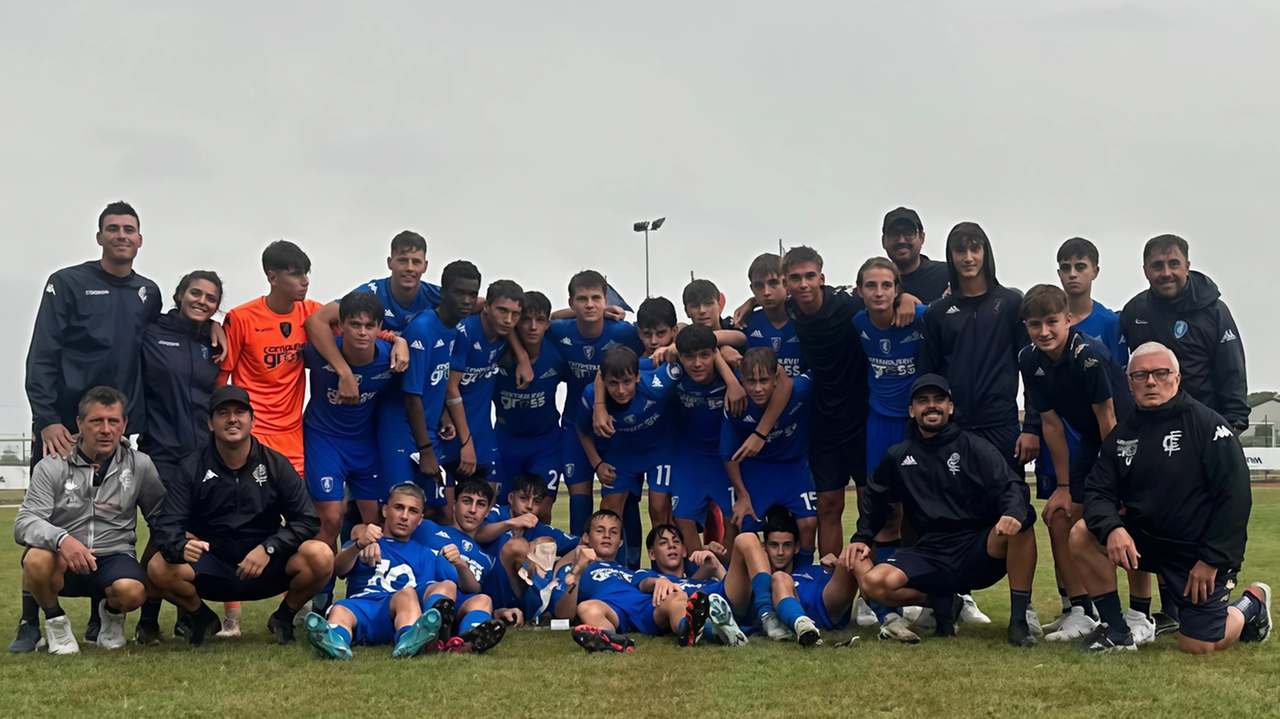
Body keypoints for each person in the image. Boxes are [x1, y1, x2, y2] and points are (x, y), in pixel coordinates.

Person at [22, 201, 164, 644]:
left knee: (109, 519)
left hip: (118, 424)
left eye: (130, 229)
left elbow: (158, 341)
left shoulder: (148, 292)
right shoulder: (67, 282)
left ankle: (103, 612)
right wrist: (46, 419)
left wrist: (210, 328)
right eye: (113, 229)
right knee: (50, 523)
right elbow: (43, 353)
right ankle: (33, 621)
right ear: (99, 236)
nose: (122, 235)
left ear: (140, 240)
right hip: (66, 424)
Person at [1070, 342, 1271, 654]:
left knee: (1198, 645)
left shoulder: (1209, 426)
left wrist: (1211, 559)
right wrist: (1112, 528)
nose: (1151, 381)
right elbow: (1096, 491)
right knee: (1082, 534)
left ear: (1177, 378)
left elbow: (1234, 499)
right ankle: (1116, 631)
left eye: (1161, 373)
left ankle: (1251, 604)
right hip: (1148, 544)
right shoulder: (1121, 436)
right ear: (1129, 383)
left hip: (1197, 555)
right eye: (1141, 375)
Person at [843, 373, 1041, 648]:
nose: (931, 406)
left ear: (950, 406)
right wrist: (863, 537)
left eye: (938, 399)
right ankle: (943, 601)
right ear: (912, 411)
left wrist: (1012, 513)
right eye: (923, 401)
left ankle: (1019, 621)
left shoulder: (974, 447)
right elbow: (876, 498)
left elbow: (1010, 485)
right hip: (931, 552)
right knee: (874, 584)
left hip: (977, 550)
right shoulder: (899, 456)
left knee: (1023, 521)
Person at [147, 385, 333, 647]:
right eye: (223, 413)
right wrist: (181, 546)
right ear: (211, 423)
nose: (232, 418)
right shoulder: (191, 467)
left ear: (252, 420)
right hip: (212, 566)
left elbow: (307, 520)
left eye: (240, 412)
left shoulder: (275, 464)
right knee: (158, 566)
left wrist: (269, 547)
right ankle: (201, 617)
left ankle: (284, 616)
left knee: (321, 555)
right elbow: (167, 527)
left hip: (265, 565)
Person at [776, 246, 917, 559]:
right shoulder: (790, 309)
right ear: (786, 283)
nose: (803, 284)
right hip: (823, 425)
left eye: (810, 276)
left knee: (877, 508)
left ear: (821, 278)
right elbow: (762, 308)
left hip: (863, 422)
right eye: (795, 278)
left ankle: (876, 594)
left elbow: (883, 298)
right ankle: (831, 595)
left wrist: (906, 298)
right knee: (828, 506)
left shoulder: (848, 306)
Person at [213, 239, 323, 636]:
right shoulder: (242, 317)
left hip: (293, 439)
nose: (304, 281)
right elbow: (221, 380)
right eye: (295, 273)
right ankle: (232, 618)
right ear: (272, 276)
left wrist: (393, 338)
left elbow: (359, 315)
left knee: (300, 521)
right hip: (250, 441)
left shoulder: (311, 313)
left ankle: (295, 608)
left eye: (307, 272)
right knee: (238, 522)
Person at [1018, 284, 1138, 643]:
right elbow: (1052, 424)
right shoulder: (1028, 359)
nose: (1044, 331)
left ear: (1068, 319)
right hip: (1090, 439)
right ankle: (1081, 611)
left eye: (1052, 321)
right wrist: (1065, 488)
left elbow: (1110, 421)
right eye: (1035, 324)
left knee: (1124, 516)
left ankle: (1140, 613)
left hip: (1125, 439)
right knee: (1058, 514)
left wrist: (1112, 485)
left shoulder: (1091, 355)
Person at [12, 387, 165, 654]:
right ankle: (55, 621)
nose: (105, 429)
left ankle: (112, 616)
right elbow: (25, 521)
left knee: (133, 592)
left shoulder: (140, 464)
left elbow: (160, 518)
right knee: (35, 559)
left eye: (113, 421)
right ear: (80, 423)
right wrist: (62, 539)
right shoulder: (52, 465)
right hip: (64, 558)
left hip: (113, 556)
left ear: (124, 425)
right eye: (96, 421)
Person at [135, 270, 224, 641]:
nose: (202, 301)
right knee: (164, 534)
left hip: (203, 454)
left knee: (192, 536)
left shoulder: (214, 340)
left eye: (211, 298)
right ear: (180, 294)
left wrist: (217, 326)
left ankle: (184, 616)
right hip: (161, 451)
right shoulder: (151, 331)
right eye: (196, 293)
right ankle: (148, 621)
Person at [302, 291, 397, 613]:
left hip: (364, 445)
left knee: (374, 524)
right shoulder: (321, 354)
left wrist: (401, 343)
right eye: (354, 324)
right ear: (341, 326)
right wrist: (343, 372)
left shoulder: (389, 359)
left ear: (379, 327)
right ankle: (320, 596)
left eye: (369, 326)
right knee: (330, 519)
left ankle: (364, 592)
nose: (361, 332)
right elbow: (312, 326)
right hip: (324, 439)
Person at [920, 222, 1040, 472]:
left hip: (1002, 425)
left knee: (1011, 503)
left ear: (986, 252)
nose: (968, 258)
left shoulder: (1011, 303)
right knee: (955, 508)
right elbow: (929, 378)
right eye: (960, 251)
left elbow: (1032, 371)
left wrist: (1031, 427)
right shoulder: (937, 313)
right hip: (953, 428)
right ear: (950, 257)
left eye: (975, 249)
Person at [852, 257, 927, 642]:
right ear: (860, 290)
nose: (879, 292)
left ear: (897, 289)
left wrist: (914, 300)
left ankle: (929, 596)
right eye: (871, 286)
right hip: (879, 425)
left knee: (922, 510)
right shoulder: (857, 322)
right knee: (883, 512)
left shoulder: (919, 316)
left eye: (886, 285)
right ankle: (880, 603)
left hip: (915, 427)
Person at [302, 483, 463, 659]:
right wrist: (358, 546)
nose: (404, 516)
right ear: (385, 510)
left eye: (413, 511)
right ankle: (335, 640)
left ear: (420, 520)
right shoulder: (365, 541)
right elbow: (338, 569)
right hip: (362, 605)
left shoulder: (426, 554)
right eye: (399, 508)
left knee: (407, 595)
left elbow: (450, 584)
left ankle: (410, 637)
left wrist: (455, 561)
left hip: (396, 612)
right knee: (341, 608)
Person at [670, 325, 785, 555]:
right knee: (682, 518)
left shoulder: (741, 379)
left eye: (704, 355)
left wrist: (733, 382)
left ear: (715, 354)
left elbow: (780, 380)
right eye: (689, 357)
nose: (697, 363)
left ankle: (729, 578)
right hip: (691, 455)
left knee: (736, 518)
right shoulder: (673, 375)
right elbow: (625, 372)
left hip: (729, 459)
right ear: (680, 357)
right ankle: (697, 577)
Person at [547, 270, 644, 534]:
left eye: (595, 298)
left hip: (616, 431)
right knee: (579, 503)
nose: (589, 304)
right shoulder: (558, 331)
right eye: (582, 299)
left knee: (624, 503)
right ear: (571, 302)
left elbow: (659, 336)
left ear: (605, 300)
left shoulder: (623, 333)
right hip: (575, 429)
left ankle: (628, 568)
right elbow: (545, 319)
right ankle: (579, 567)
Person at [1120, 234, 1247, 432]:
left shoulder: (1214, 311)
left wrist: (1233, 424)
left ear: (1187, 266)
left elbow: (1232, 370)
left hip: (1203, 427)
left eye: (1173, 264)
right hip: (1151, 426)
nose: (1166, 272)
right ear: (1145, 271)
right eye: (1157, 266)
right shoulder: (1134, 311)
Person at [577, 346, 681, 566]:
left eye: (627, 382)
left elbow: (694, 352)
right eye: (613, 383)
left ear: (637, 377)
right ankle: (608, 572)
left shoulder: (658, 383)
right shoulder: (590, 396)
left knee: (660, 510)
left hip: (660, 451)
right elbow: (582, 431)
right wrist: (597, 464)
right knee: (608, 514)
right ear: (604, 381)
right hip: (623, 454)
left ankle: (665, 574)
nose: (621, 390)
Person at [557, 510, 709, 653]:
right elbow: (563, 615)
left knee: (675, 599)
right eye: (599, 531)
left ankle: (687, 630)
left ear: (620, 542)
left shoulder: (629, 571)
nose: (607, 536)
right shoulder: (575, 569)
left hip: (646, 605)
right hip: (611, 610)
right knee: (587, 608)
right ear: (586, 538)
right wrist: (576, 572)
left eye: (614, 532)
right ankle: (610, 639)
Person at [720, 348, 817, 567]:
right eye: (750, 381)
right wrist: (742, 494)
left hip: (794, 466)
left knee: (809, 524)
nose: (757, 388)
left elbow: (819, 371)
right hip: (756, 470)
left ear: (776, 377)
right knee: (747, 527)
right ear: (741, 380)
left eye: (764, 380)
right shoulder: (737, 402)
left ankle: (803, 577)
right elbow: (729, 454)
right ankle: (755, 586)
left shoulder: (800, 390)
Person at [438, 280, 525, 516]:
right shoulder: (465, 331)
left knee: (486, 508)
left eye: (515, 314)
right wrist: (467, 443)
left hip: (482, 435)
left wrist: (522, 358)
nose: (508, 319)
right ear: (486, 306)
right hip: (449, 434)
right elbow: (450, 388)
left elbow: (515, 328)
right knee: (445, 514)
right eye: (502, 310)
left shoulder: (504, 333)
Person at [401, 261, 481, 512]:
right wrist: (425, 450)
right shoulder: (421, 330)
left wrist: (445, 413)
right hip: (402, 428)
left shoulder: (458, 330)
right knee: (398, 507)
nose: (467, 300)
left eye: (472, 294)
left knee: (443, 511)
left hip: (431, 427)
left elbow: (443, 382)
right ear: (443, 293)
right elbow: (412, 396)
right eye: (459, 293)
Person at [405, 478, 510, 651]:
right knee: (446, 587)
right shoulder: (427, 528)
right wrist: (359, 532)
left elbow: (473, 589)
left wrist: (461, 565)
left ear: (488, 511)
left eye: (481, 504)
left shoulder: (487, 559)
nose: (472, 510)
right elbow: (389, 529)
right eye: (467, 501)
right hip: (424, 596)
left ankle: (466, 640)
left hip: (457, 607)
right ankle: (433, 631)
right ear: (454, 504)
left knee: (484, 599)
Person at [491, 291, 565, 520]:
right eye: (526, 320)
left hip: (546, 442)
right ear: (516, 322)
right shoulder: (497, 353)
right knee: (504, 508)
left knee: (541, 508)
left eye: (540, 320)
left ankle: (542, 554)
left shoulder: (556, 357)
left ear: (547, 324)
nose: (533, 327)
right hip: (506, 441)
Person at [628, 524, 748, 646]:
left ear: (684, 551)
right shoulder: (649, 575)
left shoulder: (704, 582)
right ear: (652, 554)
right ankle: (711, 631)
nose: (671, 545)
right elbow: (643, 584)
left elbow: (733, 591)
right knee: (677, 599)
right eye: (663, 543)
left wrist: (717, 568)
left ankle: (760, 618)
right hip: (674, 611)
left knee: (746, 541)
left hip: (718, 605)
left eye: (676, 542)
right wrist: (658, 582)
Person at [758, 509, 860, 647]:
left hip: (826, 604)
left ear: (796, 547)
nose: (780, 552)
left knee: (855, 556)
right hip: (793, 606)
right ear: (764, 547)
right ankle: (803, 626)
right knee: (779, 577)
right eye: (774, 545)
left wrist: (837, 564)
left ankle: (880, 610)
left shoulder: (814, 569)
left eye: (787, 545)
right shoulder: (762, 582)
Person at [721, 253, 806, 378]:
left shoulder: (806, 318)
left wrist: (752, 301)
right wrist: (724, 349)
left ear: (786, 283)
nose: (766, 292)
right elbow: (709, 339)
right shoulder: (744, 322)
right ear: (752, 288)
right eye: (759, 285)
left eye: (773, 283)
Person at [881, 207, 950, 303]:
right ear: (884, 241)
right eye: (894, 234)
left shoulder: (947, 274)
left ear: (922, 238)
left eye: (908, 233)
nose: (901, 240)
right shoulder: (876, 282)